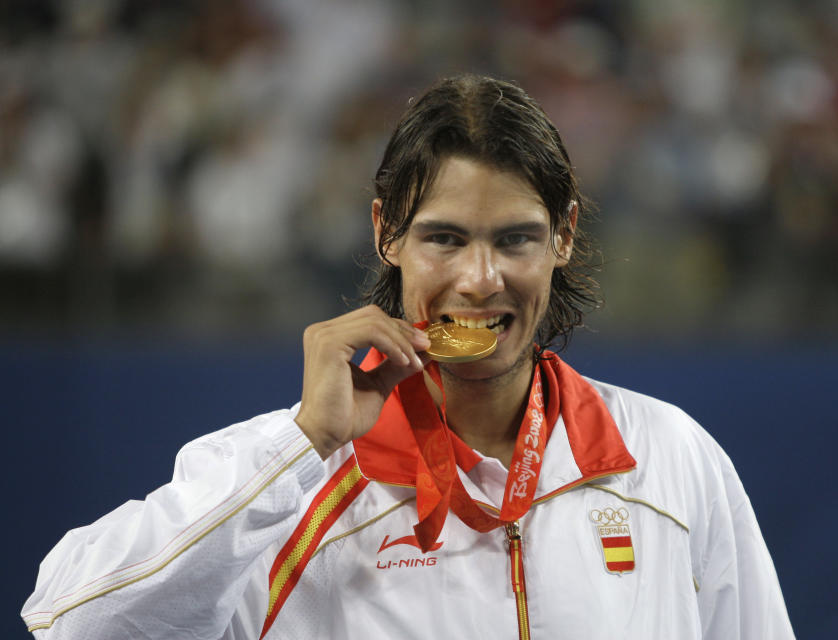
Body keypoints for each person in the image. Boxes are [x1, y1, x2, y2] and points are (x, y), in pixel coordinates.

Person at [22, 74, 794, 639]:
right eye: (445, 238)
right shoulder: (297, 483)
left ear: (563, 235)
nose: (480, 280)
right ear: (386, 232)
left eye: (515, 238)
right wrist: (303, 443)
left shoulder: (668, 460)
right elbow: (67, 620)